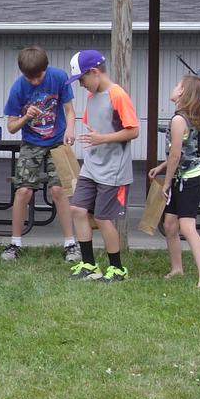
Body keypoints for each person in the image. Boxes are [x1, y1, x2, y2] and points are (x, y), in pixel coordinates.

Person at [1, 46, 80, 262]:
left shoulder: (59, 77)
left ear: (45, 69)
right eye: (30, 77)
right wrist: (26, 117)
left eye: (38, 76)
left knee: (59, 189)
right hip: (31, 142)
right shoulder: (18, 88)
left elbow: (70, 111)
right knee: (23, 191)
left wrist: (70, 131)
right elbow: (11, 127)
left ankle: (70, 244)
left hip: (57, 141)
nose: (35, 81)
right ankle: (15, 244)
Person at [67, 50, 139, 282]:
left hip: (113, 170)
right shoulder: (92, 96)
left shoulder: (117, 95)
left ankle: (117, 269)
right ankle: (89, 265)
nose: (80, 85)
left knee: (102, 218)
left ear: (94, 72)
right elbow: (94, 126)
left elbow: (134, 130)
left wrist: (103, 139)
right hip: (92, 166)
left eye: (81, 80)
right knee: (77, 210)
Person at [148, 75, 200, 288]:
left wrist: (166, 183)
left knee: (187, 226)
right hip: (181, 177)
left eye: (177, 85)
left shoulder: (178, 120)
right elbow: (183, 153)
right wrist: (161, 167)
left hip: (189, 180)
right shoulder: (185, 117)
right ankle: (177, 268)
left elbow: (176, 156)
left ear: (182, 92)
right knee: (170, 224)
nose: (174, 87)